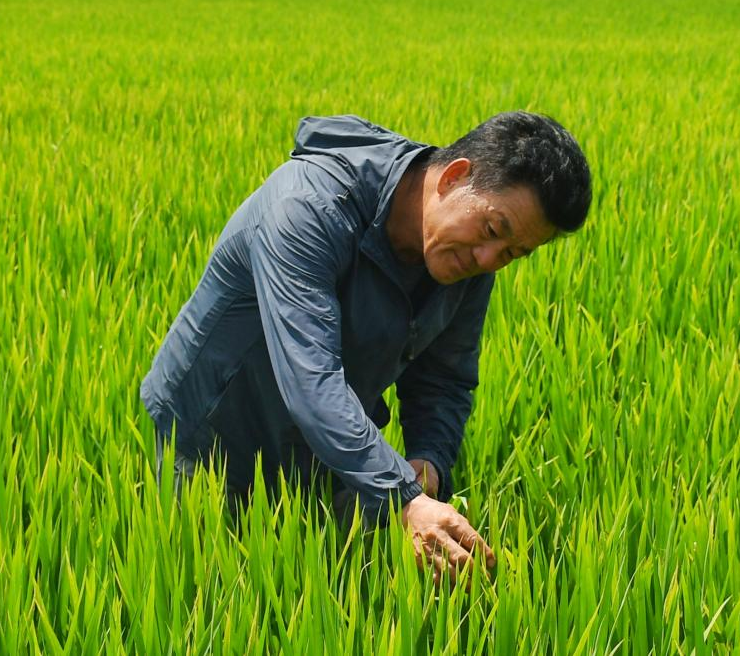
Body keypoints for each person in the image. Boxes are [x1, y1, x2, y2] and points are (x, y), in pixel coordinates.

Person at [140, 111, 591, 580]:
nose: (488, 259)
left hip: (324, 445)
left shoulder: (469, 259)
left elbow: (444, 378)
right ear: (455, 176)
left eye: (512, 254)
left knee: (314, 593)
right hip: (213, 436)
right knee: (204, 596)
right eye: (494, 231)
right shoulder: (308, 207)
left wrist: (427, 461)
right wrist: (402, 497)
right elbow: (310, 380)